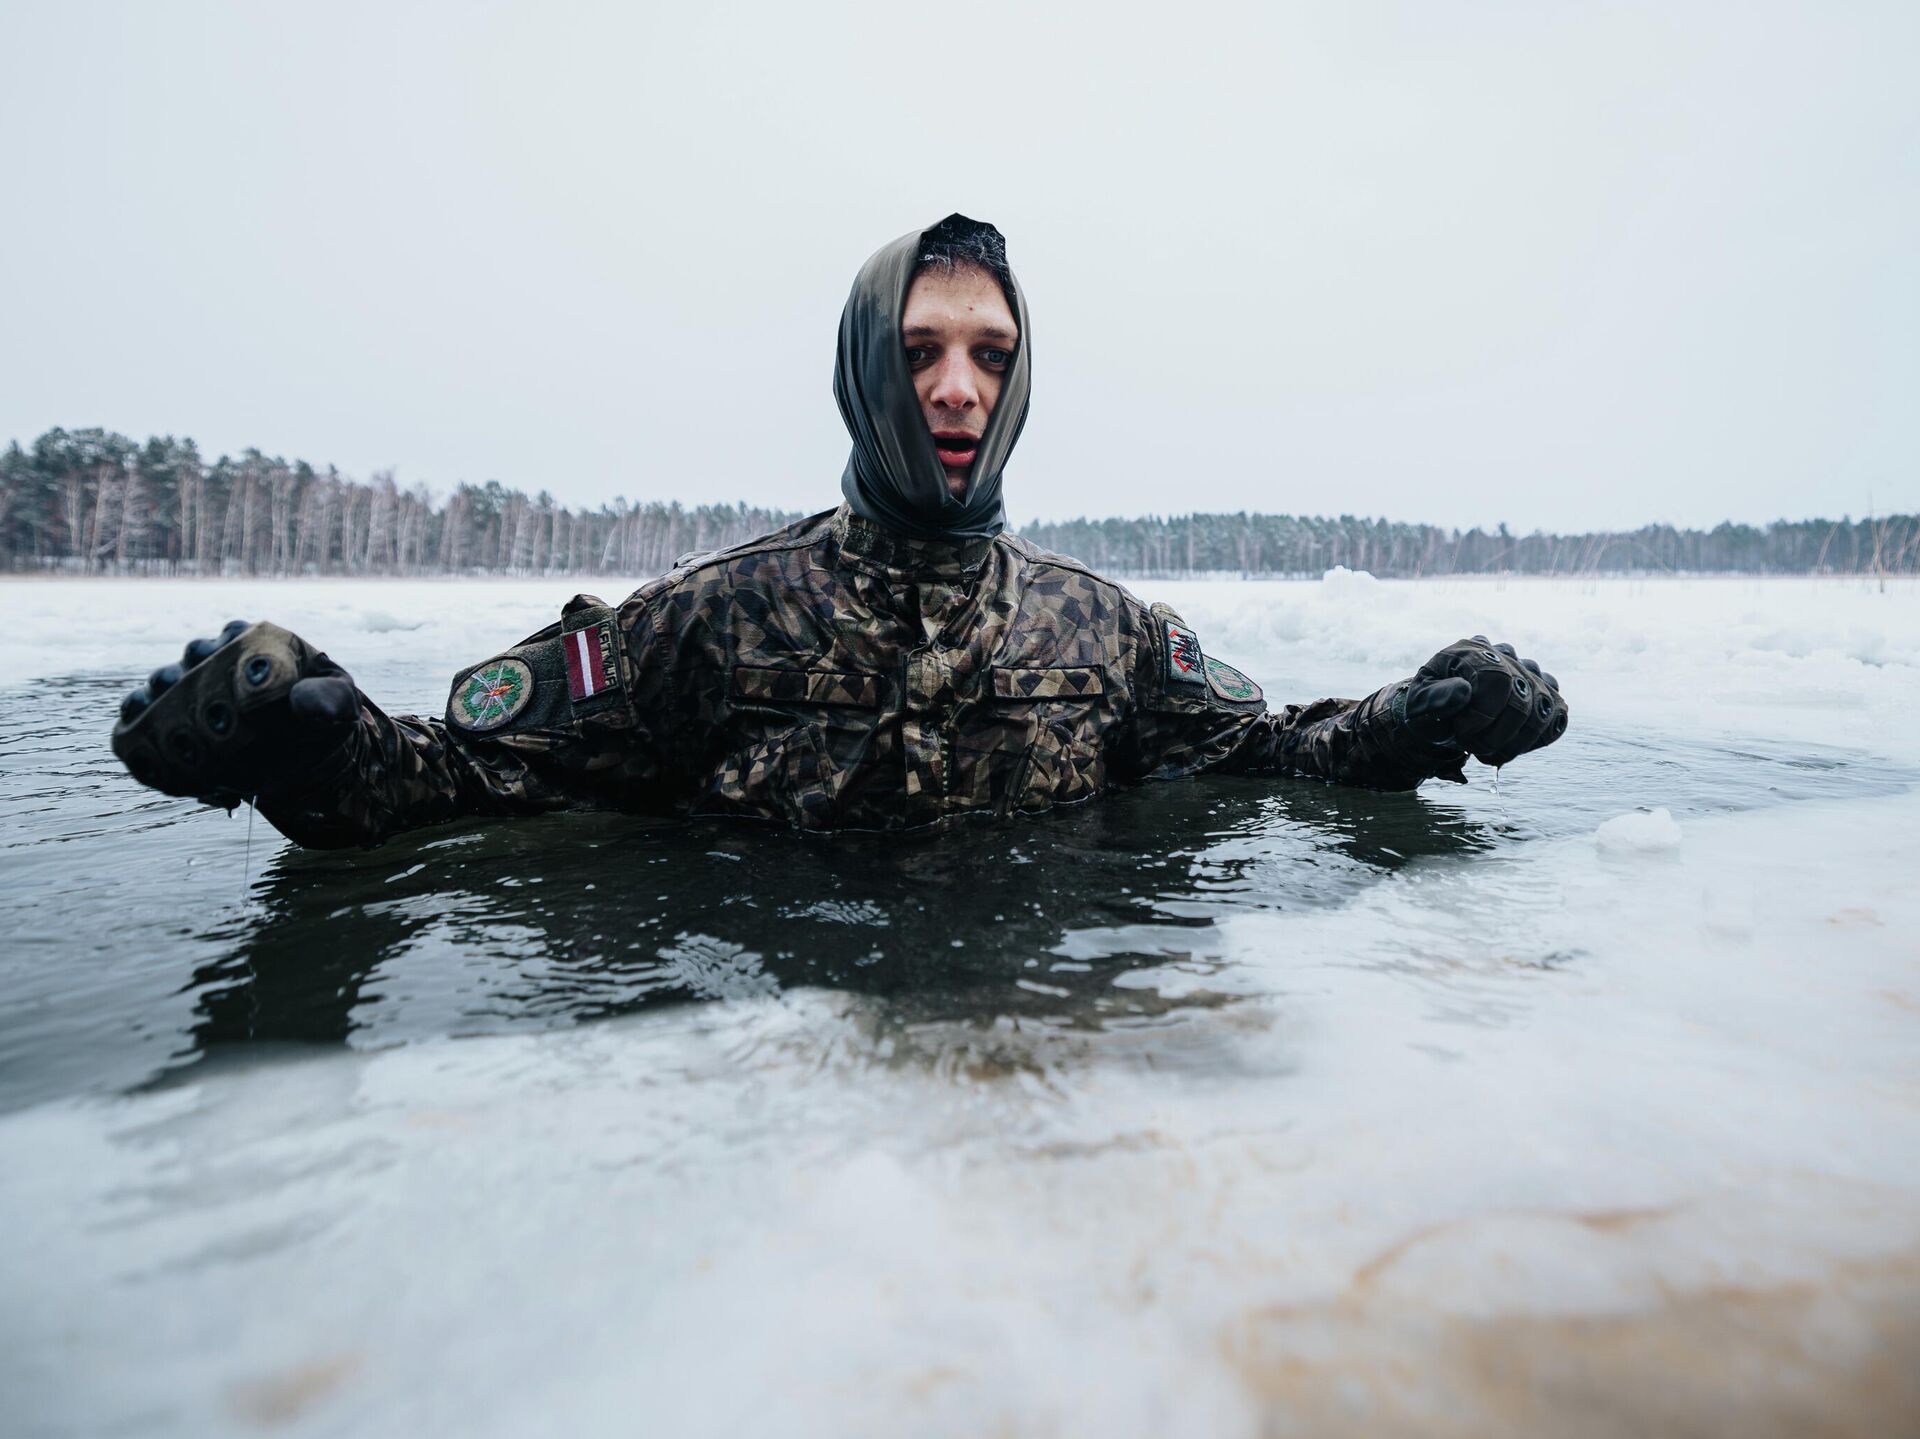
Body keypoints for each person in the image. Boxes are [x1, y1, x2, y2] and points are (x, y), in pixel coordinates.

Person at [111, 214, 1568, 849]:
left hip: (1043, 1083)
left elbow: (1274, 755)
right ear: (866, 369)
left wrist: (1416, 717)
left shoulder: (1105, 631)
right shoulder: (709, 618)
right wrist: (315, 747)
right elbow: (463, 781)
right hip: (776, 1110)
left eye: (990, 355)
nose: (957, 387)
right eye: (922, 350)